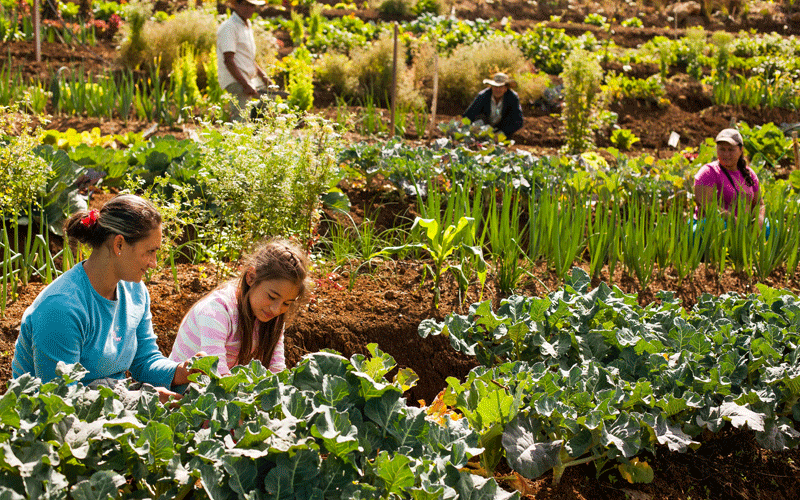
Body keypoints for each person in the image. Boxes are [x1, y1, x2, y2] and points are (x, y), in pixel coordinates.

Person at [11, 195, 199, 402]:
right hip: (49, 421)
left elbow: (144, 361)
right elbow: (60, 399)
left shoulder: (135, 292)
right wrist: (136, 401)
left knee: (194, 392)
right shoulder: (61, 307)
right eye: (150, 251)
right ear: (119, 244)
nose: (154, 263)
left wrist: (181, 371)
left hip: (110, 403)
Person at [169, 239, 311, 375]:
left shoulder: (273, 320)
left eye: (287, 303)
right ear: (251, 277)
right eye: (272, 297)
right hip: (180, 391)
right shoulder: (216, 311)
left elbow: (277, 369)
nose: (276, 309)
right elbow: (215, 373)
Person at [693, 128, 765, 225]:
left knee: (773, 225)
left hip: (744, 226)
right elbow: (706, 204)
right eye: (722, 149)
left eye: (731, 150)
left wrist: (758, 222)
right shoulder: (709, 172)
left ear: (740, 150)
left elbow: (759, 204)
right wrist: (734, 221)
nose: (726, 154)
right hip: (715, 225)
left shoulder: (749, 173)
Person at [217, 0, 270, 121]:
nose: (249, 8)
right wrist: (245, 85)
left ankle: (255, 130)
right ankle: (238, 134)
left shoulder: (246, 25)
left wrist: (263, 76)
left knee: (269, 96)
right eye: (245, 4)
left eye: (252, 5)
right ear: (236, 5)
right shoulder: (229, 27)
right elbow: (228, 60)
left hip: (249, 77)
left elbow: (248, 58)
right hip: (235, 79)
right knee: (241, 118)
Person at [463, 72, 524, 138]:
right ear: (491, 87)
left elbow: (518, 120)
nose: (497, 90)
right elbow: (469, 114)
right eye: (495, 87)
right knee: (479, 119)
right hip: (483, 129)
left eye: (500, 87)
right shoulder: (483, 96)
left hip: (502, 129)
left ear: (506, 88)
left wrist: (502, 133)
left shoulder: (512, 98)